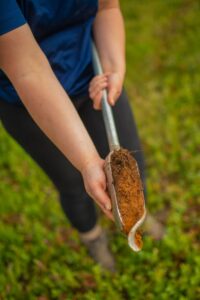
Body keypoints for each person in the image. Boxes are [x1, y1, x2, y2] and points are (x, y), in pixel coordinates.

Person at [0, 0, 163, 272]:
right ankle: (92, 236)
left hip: (91, 77)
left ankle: (138, 220)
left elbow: (107, 9)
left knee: (132, 168)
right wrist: (87, 161)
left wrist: (115, 70)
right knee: (74, 184)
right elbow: (27, 68)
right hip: (28, 101)